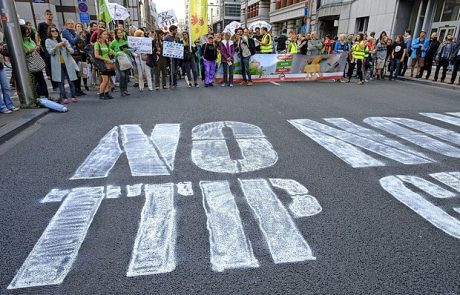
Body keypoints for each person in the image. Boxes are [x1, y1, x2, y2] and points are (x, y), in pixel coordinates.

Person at [46, 25, 78, 104]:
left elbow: (72, 51)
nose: (55, 32)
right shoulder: (48, 41)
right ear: (49, 32)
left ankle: (73, 96)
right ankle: (64, 97)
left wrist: (66, 47)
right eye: (52, 31)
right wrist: (56, 47)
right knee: (61, 82)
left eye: (56, 30)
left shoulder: (64, 40)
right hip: (57, 65)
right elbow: (50, 52)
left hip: (67, 63)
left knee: (71, 80)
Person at [21, 25, 49, 101]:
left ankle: (45, 96)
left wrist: (36, 48)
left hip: (35, 61)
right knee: (36, 81)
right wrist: (30, 50)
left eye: (28, 30)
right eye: (25, 31)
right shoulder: (20, 42)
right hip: (29, 63)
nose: (27, 32)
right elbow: (22, 52)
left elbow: (33, 48)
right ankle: (39, 98)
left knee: (41, 80)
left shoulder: (30, 39)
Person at [37, 9, 58, 90]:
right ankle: (54, 85)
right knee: (50, 66)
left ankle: (57, 83)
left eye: (50, 14)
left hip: (54, 46)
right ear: (45, 16)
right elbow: (37, 35)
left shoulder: (53, 25)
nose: (49, 16)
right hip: (45, 48)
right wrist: (38, 45)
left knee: (56, 66)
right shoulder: (41, 25)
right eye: (47, 14)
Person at [94, 29, 115, 100]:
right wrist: (106, 59)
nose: (106, 36)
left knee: (108, 80)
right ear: (100, 35)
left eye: (106, 34)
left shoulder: (106, 43)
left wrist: (114, 54)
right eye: (104, 34)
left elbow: (110, 51)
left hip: (109, 63)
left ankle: (106, 93)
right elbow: (96, 55)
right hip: (102, 63)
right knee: (105, 80)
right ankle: (101, 94)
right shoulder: (97, 43)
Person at [0, 33, 19, 113]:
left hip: (0, 65)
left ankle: (9, 105)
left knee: (6, 86)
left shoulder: (0, 34)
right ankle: (2, 107)